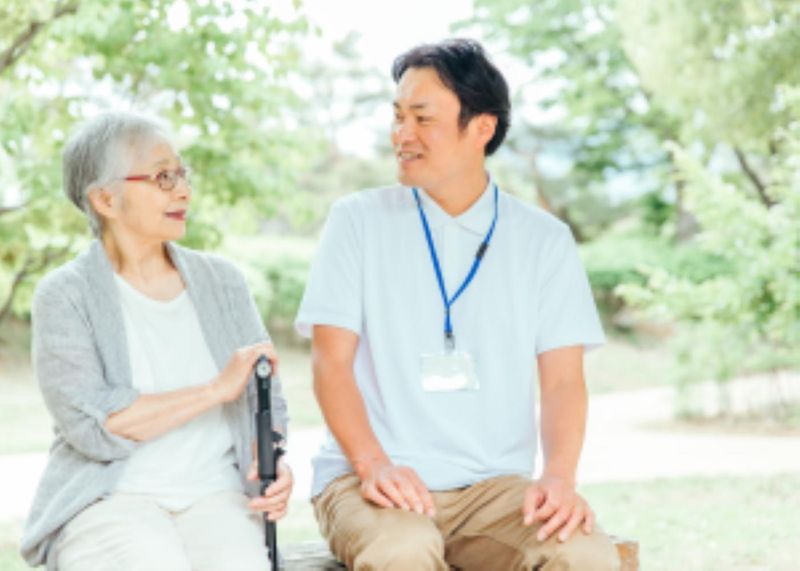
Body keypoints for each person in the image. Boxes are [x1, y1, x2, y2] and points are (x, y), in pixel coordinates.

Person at [295, 39, 619, 570]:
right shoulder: (356, 221)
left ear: (482, 128)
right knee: (403, 550)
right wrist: (373, 465)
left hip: (495, 489)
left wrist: (559, 477)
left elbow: (563, 381)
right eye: (398, 116)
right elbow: (330, 363)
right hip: (370, 478)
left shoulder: (544, 240)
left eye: (422, 118)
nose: (402, 134)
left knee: (584, 554)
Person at [20, 112, 292, 571]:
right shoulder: (65, 295)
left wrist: (270, 460)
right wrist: (213, 390)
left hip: (217, 496)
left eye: (183, 174)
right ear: (105, 199)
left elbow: (267, 401)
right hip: (110, 501)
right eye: (164, 177)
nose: (183, 191)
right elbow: (94, 426)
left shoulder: (224, 282)